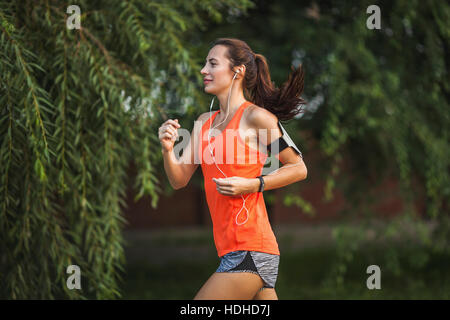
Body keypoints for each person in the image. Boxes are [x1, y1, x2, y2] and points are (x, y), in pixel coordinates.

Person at [158, 38, 307, 300]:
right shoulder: (204, 123)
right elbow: (179, 179)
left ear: (237, 71)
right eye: (205, 64)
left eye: (212, 63)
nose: (203, 70)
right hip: (231, 251)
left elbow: (298, 167)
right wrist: (168, 149)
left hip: (252, 249)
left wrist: (253, 184)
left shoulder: (256, 117)